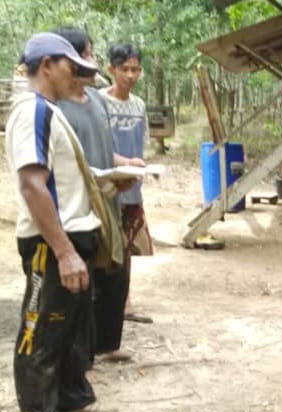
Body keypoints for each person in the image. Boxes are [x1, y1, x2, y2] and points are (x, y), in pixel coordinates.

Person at [6, 32, 117, 412]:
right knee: (41, 328)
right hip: (50, 243)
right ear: (47, 64)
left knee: (72, 325)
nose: (81, 77)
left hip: (73, 235)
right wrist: (64, 251)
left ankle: (71, 398)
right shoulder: (31, 112)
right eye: (74, 67)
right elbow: (34, 186)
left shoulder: (52, 111)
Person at [53, 26, 144, 364]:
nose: (91, 60)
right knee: (84, 281)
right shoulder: (56, 106)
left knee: (115, 271)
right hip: (77, 205)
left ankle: (107, 343)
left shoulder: (94, 100)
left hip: (108, 199)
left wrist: (126, 164)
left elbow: (104, 149)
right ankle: (80, 356)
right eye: (87, 53)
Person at [100, 42, 153, 324]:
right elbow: (95, 147)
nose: (130, 75)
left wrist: (142, 166)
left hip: (133, 188)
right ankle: (107, 301)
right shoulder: (99, 103)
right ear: (112, 69)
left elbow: (141, 146)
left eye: (135, 70)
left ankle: (125, 298)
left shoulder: (139, 105)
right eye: (125, 69)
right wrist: (125, 162)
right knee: (109, 246)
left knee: (128, 245)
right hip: (107, 187)